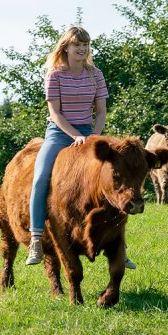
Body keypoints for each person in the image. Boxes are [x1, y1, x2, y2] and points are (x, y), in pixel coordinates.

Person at [25, 26, 135, 270]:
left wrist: (94, 136)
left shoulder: (95, 74)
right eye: (77, 45)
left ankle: (121, 248)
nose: (82, 49)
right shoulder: (54, 74)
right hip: (59, 134)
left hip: (89, 133)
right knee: (41, 178)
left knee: (113, 180)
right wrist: (74, 136)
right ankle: (35, 239)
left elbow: (102, 110)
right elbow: (54, 112)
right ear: (66, 47)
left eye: (85, 44)